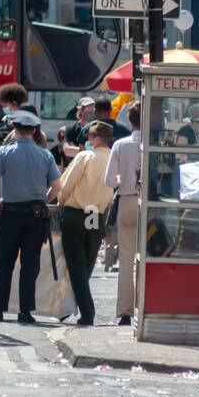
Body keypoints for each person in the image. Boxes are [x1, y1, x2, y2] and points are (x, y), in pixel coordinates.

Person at [0, 109, 62, 323]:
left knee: (4, 263)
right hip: (35, 215)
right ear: (34, 131)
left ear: (16, 130)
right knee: (30, 264)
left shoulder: (4, 152)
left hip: (10, 213)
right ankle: (25, 311)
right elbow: (57, 186)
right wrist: (43, 200)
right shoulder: (45, 155)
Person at [58, 121, 115, 325]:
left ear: (96, 139)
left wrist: (61, 202)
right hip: (96, 215)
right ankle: (72, 307)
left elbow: (66, 186)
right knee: (87, 265)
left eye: (89, 138)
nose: (87, 142)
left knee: (76, 266)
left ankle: (86, 311)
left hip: (76, 213)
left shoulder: (85, 156)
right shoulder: (113, 159)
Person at [104, 102, 141, 326]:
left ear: (129, 120)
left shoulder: (120, 144)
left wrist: (123, 179)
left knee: (126, 258)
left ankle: (126, 311)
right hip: (149, 204)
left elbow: (109, 180)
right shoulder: (154, 144)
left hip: (126, 199)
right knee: (147, 258)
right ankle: (144, 306)